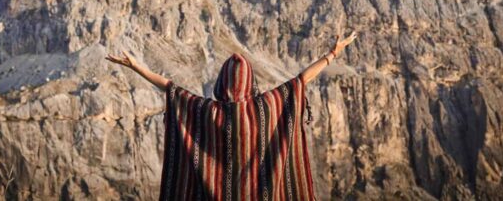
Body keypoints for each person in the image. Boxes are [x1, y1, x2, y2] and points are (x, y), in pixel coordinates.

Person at [106, 31, 358, 200]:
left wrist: (136, 67)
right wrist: (332, 54)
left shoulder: (207, 111)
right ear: (251, 81)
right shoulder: (264, 108)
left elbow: (170, 87)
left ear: (221, 82)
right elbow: (301, 80)